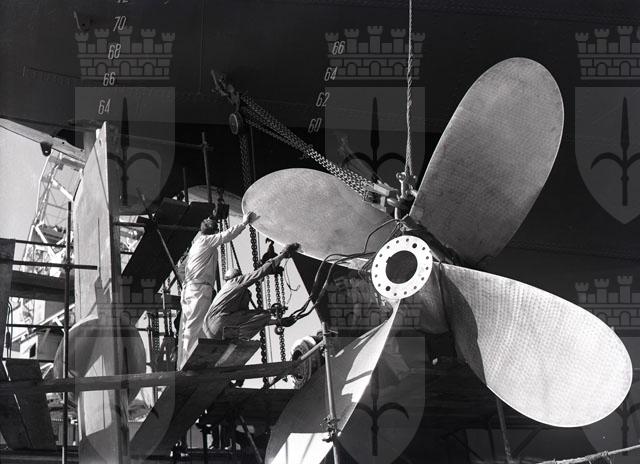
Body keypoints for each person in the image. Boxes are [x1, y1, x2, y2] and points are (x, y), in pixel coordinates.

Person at [176, 210, 254, 369]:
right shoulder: (206, 241)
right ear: (213, 231)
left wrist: (190, 282)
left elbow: (181, 269)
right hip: (199, 289)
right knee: (196, 326)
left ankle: (183, 363)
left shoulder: (195, 246)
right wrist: (244, 223)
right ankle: (188, 363)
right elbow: (227, 236)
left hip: (189, 289)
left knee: (187, 328)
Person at [203, 243, 300, 341]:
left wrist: (278, 321)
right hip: (221, 323)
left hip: (209, 330)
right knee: (264, 314)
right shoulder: (236, 282)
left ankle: (234, 338)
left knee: (261, 315)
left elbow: (249, 319)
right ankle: (239, 337)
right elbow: (261, 272)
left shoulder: (225, 292)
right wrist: (283, 255)